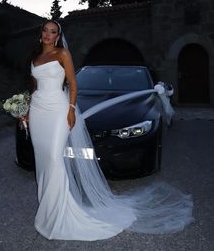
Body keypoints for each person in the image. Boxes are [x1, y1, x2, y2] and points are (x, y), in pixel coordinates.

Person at [23, 19, 194, 241]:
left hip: (57, 110)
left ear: (57, 36)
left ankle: (59, 214)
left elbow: (73, 84)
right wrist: (26, 110)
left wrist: (72, 109)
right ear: (41, 33)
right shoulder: (35, 57)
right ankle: (46, 209)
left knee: (55, 160)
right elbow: (34, 86)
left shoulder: (62, 54)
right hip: (38, 110)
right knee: (43, 160)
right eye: (45, 30)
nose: (48, 34)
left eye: (53, 32)